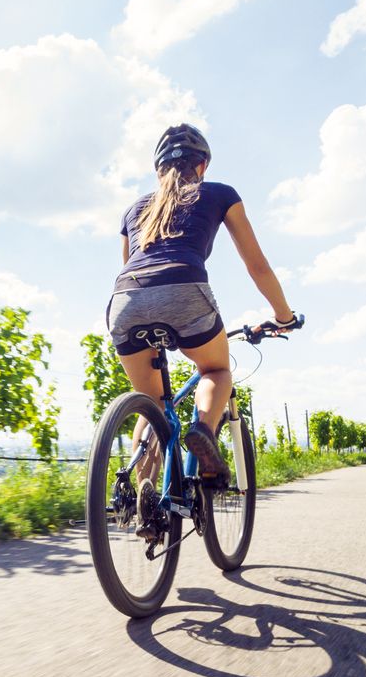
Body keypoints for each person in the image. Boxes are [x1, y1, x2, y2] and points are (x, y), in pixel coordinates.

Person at [109, 123, 297, 482]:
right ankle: (204, 432)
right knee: (216, 371)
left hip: (125, 300)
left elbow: (128, 268)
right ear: (202, 165)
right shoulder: (219, 193)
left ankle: (143, 502)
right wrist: (282, 316)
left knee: (150, 406)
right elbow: (257, 266)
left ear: (159, 169)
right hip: (184, 288)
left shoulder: (134, 210)